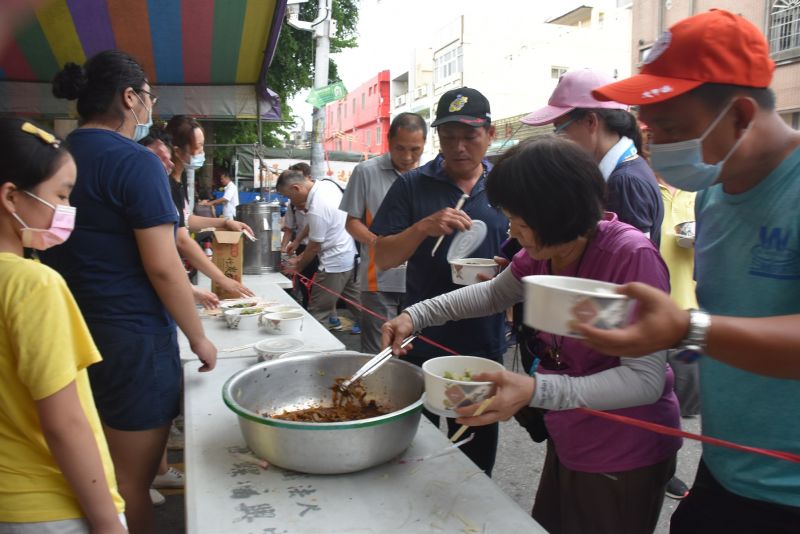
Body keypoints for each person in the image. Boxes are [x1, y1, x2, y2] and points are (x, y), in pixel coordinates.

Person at [382, 136, 681, 533]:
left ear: (555, 214)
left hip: (622, 451)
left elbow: (643, 381)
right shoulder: (546, 251)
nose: (510, 229)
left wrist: (535, 390)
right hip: (572, 433)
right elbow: (494, 292)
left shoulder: (629, 257)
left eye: (518, 219)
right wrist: (415, 315)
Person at [580, 10, 800, 533]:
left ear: (742, 114)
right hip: (725, 466)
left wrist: (687, 327)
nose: (656, 145)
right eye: (651, 128)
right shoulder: (714, 196)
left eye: (672, 128)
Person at [46, 50, 217, 534]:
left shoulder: (52, 156)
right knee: (127, 484)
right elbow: (163, 266)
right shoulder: (136, 163)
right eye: (148, 98)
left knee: (81, 478)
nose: (150, 108)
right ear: (129, 97)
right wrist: (198, 336)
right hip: (130, 342)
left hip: (63, 336)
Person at [371, 87, 508, 475]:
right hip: (420, 338)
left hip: (484, 340)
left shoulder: (506, 186)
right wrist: (423, 227)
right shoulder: (413, 185)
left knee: (476, 452)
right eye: (448, 138)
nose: (459, 147)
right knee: (417, 452)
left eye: (470, 137)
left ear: (491, 133)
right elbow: (383, 257)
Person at [0, 119, 127, 533]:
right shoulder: (33, 284)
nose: (67, 210)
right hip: (52, 508)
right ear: (11, 197)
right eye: (61, 195)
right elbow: (64, 423)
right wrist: (108, 524)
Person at [522, 68, 664, 246]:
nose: (557, 139)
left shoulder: (624, 182)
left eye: (559, 128)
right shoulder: (618, 174)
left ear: (591, 121)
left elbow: (631, 264)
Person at [339, 112, 427, 352]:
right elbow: (352, 222)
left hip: (418, 280)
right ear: (388, 141)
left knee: (415, 349)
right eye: (400, 148)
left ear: (425, 145)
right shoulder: (366, 171)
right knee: (380, 351)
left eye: (415, 150)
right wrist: (380, 244)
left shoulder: (429, 176)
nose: (408, 157)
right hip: (378, 278)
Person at [140, 127, 253, 310]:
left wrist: (224, 222)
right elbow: (181, 239)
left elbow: (186, 220)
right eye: (198, 146)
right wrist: (221, 279)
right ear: (177, 150)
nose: (202, 152)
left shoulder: (177, 182)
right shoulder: (161, 185)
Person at [277, 169, 361, 328]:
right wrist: (298, 243)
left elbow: (314, 246)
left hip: (333, 264)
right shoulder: (326, 185)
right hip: (348, 256)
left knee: (317, 312)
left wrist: (297, 268)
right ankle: (383, 332)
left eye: (289, 197)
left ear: (296, 188)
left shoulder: (317, 207)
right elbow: (316, 224)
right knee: (360, 306)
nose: (291, 202)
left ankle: (316, 349)